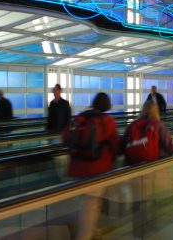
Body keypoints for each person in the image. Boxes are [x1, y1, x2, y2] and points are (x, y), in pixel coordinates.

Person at [64, 92, 122, 240]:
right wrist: (114, 159)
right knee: (92, 203)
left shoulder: (79, 117)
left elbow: (65, 138)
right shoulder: (107, 120)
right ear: (107, 105)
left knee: (86, 202)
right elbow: (115, 144)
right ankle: (84, 235)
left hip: (76, 168)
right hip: (97, 169)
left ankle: (90, 230)